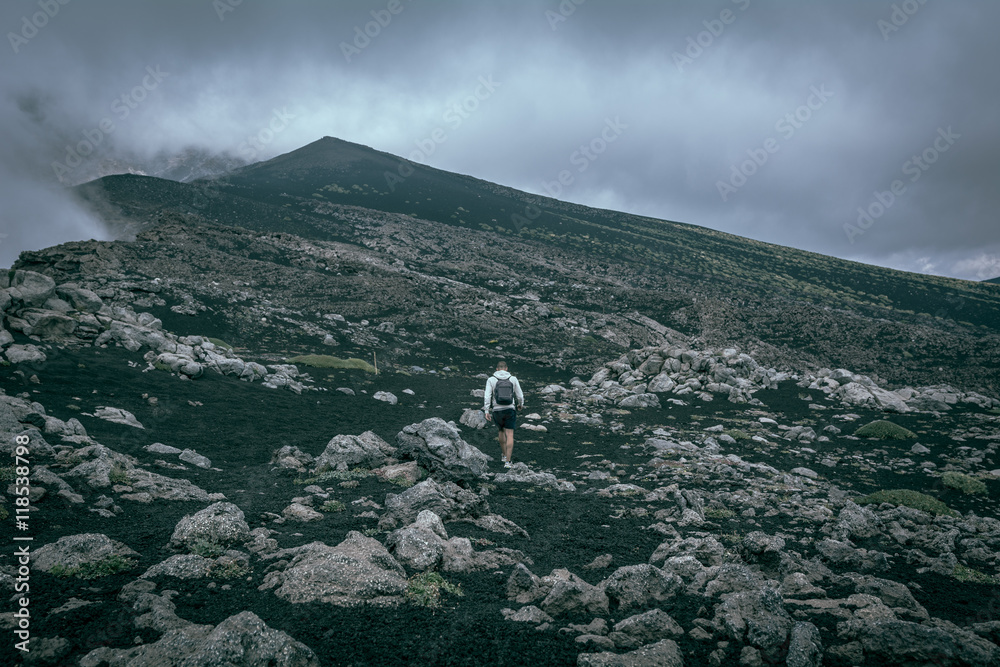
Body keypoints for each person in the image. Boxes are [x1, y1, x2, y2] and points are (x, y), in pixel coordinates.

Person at [483, 360, 524, 468]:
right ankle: (508, 462)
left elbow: (487, 396)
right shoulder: (513, 379)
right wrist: (520, 404)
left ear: (496, 369)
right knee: (510, 434)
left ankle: (504, 455)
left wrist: (487, 410)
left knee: (501, 431)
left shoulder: (491, 379)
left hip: (497, 410)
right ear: (506, 368)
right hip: (510, 408)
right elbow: (520, 394)